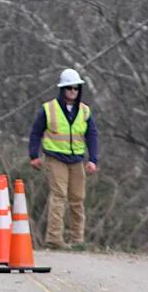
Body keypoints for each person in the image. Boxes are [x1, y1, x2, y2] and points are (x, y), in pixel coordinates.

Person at [28, 68, 99, 249]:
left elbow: (92, 135)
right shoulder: (48, 109)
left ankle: (77, 239)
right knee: (59, 197)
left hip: (76, 160)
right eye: (69, 88)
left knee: (77, 199)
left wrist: (93, 159)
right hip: (55, 158)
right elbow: (36, 132)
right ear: (62, 89)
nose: (73, 92)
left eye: (76, 89)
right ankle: (54, 238)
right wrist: (34, 155)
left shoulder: (84, 111)